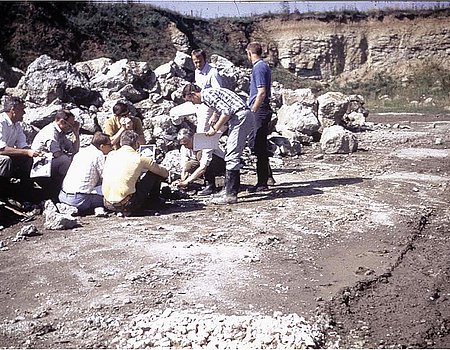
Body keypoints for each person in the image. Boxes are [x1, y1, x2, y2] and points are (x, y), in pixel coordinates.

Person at [182, 84, 252, 205]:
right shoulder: (211, 93)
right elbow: (222, 106)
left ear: (193, 94)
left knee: (232, 155)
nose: (194, 104)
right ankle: (227, 190)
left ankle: (230, 194)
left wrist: (215, 128)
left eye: (191, 101)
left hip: (239, 117)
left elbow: (226, 111)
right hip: (240, 115)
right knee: (231, 152)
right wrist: (215, 114)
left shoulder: (207, 95)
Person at [102, 130, 169, 215]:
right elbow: (164, 173)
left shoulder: (111, 155)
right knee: (154, 173)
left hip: (107, 204)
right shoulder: (140, 158)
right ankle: (154, 201)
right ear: (137, 144)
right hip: (128, 204)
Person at [58, 132, 112, 215]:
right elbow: (106, 177)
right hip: (78, 199)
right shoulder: (98, 155)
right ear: (102, 146)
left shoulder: (81, 152)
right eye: (110, 145)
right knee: (112, 196)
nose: (111, 148)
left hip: (63, 196)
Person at [31, 108, 80, 198]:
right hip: (41, 165)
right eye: (70, 125)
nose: (70, 128)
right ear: (62, 122)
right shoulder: (51, 132)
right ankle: (61, 187)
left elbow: (74, 150)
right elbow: (56, 153)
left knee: (75, 158)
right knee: (65, 160)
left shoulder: (61, 133)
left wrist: (76, 134)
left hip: (51, 162)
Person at [0, 96, 43, 197]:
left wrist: (34, 152)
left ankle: (23, 192)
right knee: (5, 160)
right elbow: (1, 149)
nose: (24, 113)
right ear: (13, 110)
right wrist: (27, 152)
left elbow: (22, 145)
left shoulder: (16, 125)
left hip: (6, 154)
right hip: (3, 156)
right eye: (22, 109)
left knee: (27, 159)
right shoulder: (1, 122)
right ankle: (3, 193)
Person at [246, 41, 275, 192]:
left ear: (249, 53)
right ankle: (267, 177)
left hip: (260, 109)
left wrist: (253, 111)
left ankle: (262, 182)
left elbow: (261, 92)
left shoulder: (259, 68)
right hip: (261, 109)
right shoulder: (262, 66)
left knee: (257, 143)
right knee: (258, 143)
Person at [176, 128, 225, 196]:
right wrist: (183, 179)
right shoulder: (184, 147)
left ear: (192, 138)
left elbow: (203, 166)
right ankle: (199, 181)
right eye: (183, 144)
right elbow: (184, 164)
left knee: (200, 155)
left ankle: (210, 185)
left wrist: (187, 182)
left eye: (187, 143)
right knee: (188, 166)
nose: (185, 146)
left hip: (219, 163)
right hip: (201, 162)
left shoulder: (204, 143)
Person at [191, 49, 223, 133]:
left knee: (201, 131)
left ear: (205, 59)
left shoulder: (213, 73)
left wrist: (215, 114)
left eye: (200, 62)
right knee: (175, 113)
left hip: (208, 105)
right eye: (195, 62)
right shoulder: (197, 71)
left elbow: (219, 94)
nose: (198, 65)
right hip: (197, 101)